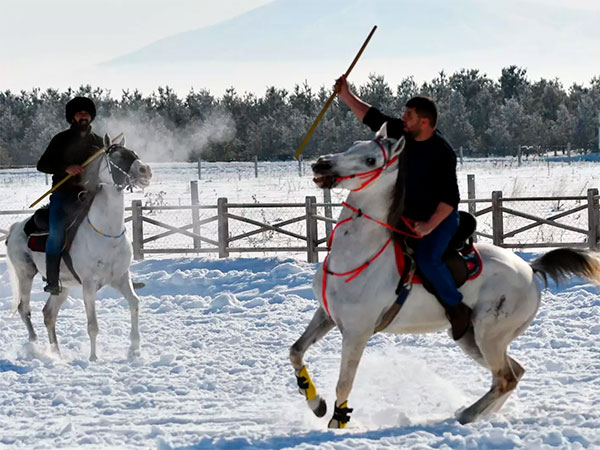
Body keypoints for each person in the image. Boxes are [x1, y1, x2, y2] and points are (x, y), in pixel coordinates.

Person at [335, 75, 471, 340]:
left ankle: (457, 308)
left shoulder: (442, 153)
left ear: (424, 122)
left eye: (409, 115)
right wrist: (346, 95)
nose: (403, 118)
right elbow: (372, 117)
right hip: (406, 217)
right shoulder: (403, 133)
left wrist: (428, 226)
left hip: (439, 220)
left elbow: (449, 200)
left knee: (427, 259)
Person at [36, 97, 104, 295]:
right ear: (72, 117)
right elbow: (42, 165)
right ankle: (52, 279)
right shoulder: (60, 140)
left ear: (91, 116)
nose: (83, 116)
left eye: (86, 113)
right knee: (57, 231)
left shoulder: (99, 142)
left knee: (111, 227)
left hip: (90, 195)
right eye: (79, 113)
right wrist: (65, 168)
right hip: (63, 195)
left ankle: (116, 273)